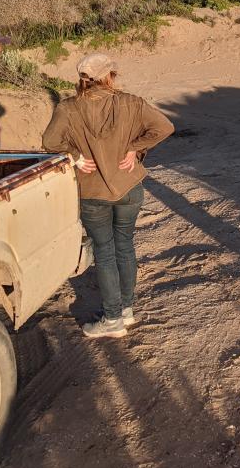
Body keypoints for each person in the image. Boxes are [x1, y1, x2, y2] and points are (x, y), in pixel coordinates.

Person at [42, 53, 174, 338]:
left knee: (104, 252)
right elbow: (165, 127)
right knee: (124, 245)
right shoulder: (131, 102)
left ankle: (112, 318)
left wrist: (75, 158)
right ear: (109, 76)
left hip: (92, 191)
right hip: (129, 187)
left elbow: (50, 142)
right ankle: (125, 312)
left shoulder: (68, 108)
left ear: (82, 79)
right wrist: (135, 149)